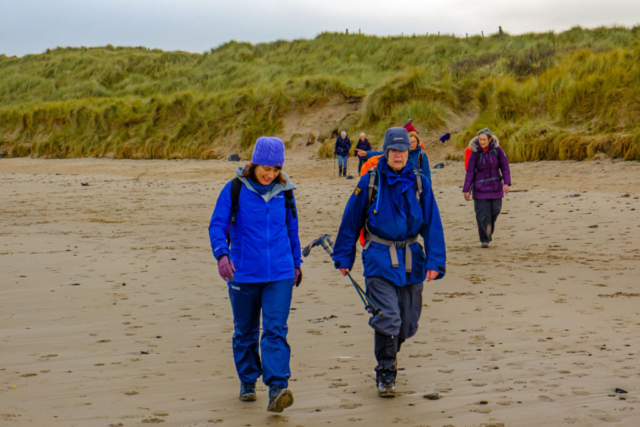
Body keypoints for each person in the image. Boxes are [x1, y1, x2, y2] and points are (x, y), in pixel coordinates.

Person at [332, 127, 446, 398]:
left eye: (403, 151)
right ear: (386, 151)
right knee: (388, 318)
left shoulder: (420, 183)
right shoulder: (370, 181)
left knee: (407, 323)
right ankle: (385, 373)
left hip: (412, 260)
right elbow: (351, 221)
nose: (398, 155)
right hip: (378, 259)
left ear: (410, 152)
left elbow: (433, 225)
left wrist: (435, 261)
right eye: (394, 151)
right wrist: (344, 256)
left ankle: (391, 354)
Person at [208, 137, 302, 413]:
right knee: (246, 332)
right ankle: (248, 381)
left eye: (275, 169)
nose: (270, 174)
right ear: (255, 163)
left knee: (275, 330)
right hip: (244, 272)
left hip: (280, 274)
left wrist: (296, 263)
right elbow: (217, 225)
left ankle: (277, 388)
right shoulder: (234, 189)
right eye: (266, 168)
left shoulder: (285, 191)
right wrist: (222, 255)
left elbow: (292, 229)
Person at [462, 128, 511, 248]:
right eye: (480, 139)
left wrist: (506, 183)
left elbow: (505, 167)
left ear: (490, 140)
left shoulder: (497, 150)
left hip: (496, 187)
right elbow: (470, 172)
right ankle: (484, 239)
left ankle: (489, 230)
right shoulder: (474, 152)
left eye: (484, 140)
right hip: (480, 188)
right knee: (482, 215)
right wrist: (466, 190)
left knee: (495, 211)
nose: (482, 142)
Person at [355, 131, 431, 183]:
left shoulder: (421, 154)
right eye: (410, 142)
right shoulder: (402, 153)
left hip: (417, 183)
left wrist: (427, 189)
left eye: (414, 142)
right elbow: (381, 153)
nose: (412, 144)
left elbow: (426, 174)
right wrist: (367, 153)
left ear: (418, 142)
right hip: (404, 182)